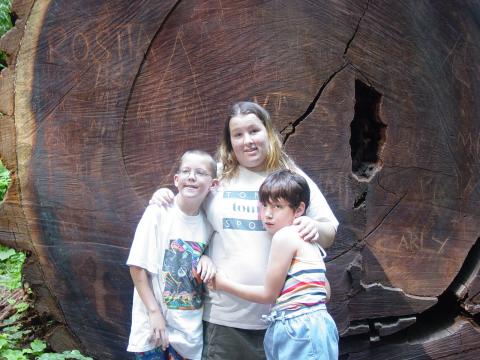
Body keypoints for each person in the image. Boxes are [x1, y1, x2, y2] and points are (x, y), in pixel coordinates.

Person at [151, 101, 338, 360]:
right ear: (230, 142)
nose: (247, 140)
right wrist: (164, 196)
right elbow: (184, 218)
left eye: (254, 131)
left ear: (268, 133)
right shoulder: (217, 176)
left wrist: (313, 226)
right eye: (237, 134)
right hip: (225, 318)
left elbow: (329, 231)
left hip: (284, 321)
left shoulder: (290, 176)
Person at [210, 169, 338, 359]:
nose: (267, 214)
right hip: (318, 326)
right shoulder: (309, 240)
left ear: (299, 210)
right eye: (264, 205)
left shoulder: (285, 237)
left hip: (297, 329)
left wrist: (223, 284)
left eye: (277, 206)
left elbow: (268, 295)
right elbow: (325, 292)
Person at [127, 150, 219, 360]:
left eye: (200, 172)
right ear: (176, 180)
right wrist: (153, 312)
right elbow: (137, 266)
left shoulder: (209, 224)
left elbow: (203, 255)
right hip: (154, 332)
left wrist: (205, 258)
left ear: (213, 184)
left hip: (189, 336)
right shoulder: (159, 212)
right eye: (186, 171)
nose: (192, 176)